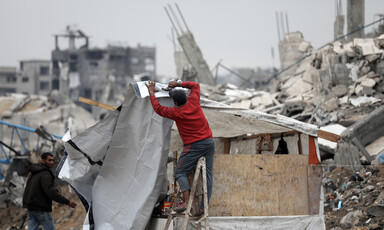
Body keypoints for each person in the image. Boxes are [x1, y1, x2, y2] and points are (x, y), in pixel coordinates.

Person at [146, 80, 215, 215]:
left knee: (179, 172)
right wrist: (179, 84)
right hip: (209, 142)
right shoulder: (194, 102)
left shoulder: (177, 113)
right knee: (208, 175)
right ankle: (202, 207)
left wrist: (151, 93)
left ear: (176, 103)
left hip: (194, 145)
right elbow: (196, 85)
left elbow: (158, 109)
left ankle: (185, 201)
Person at [23, 152, 77, 230]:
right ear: (42, 160)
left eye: (52, 160)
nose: (51, 162)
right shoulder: (45, 174)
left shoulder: (34, 172)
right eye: (49, 160)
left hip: (31, 207)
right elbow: (50, 193)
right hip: (40, 208)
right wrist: (67, 202)